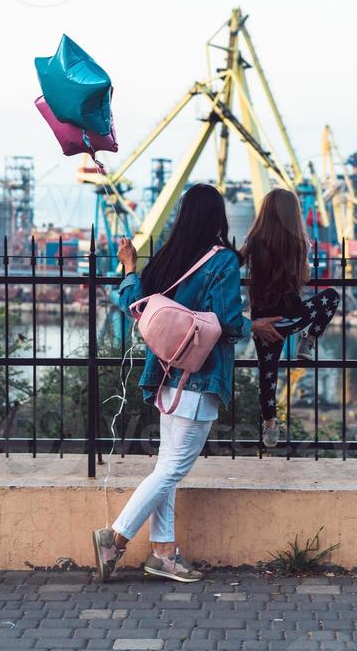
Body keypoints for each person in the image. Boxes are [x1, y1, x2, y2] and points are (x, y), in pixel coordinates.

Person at [92, 183, 280, 584]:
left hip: (164, 373)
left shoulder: (166, 257)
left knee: (166, 467)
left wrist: (128, 268)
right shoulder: (223, 261)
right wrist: (255, 325)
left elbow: (134, 305)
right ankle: (115, 537)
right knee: (174, 469)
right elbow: (228, 322)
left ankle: (164, 554)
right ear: (218, 218)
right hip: (199, 375)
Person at [241, 188, 340, 449]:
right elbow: (305, 278)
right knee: (331, 297)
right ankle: (308, 341)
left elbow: (234, 262)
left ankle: (270, 425)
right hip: (292, 318)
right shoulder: (298, 243)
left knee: (267, 375)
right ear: (293, 214)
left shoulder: (253, 241)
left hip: (263, 323)